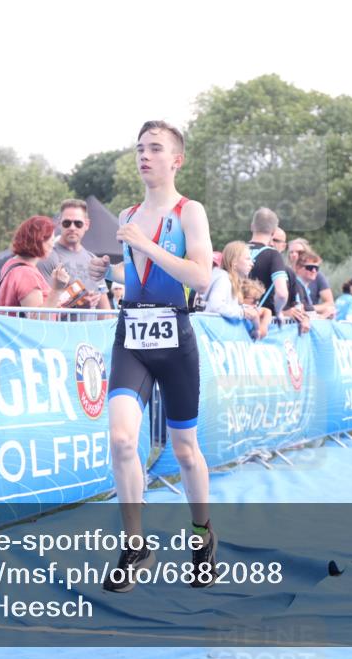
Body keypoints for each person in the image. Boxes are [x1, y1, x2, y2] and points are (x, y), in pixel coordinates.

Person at [88, 120, 216, 592]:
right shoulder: (127, 212)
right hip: (132, 338)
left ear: (176, 159)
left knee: (185, 450)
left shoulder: (190, 212)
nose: (144, 155)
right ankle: (135, 545)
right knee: (122, 439)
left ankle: (202, 537)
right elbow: (139, 276)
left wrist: (144, 244)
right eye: (140, 148)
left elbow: (200, 277)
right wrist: (111, 270)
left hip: (175, 338)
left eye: (155, 148)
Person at [38, 198, 110, 312]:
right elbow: (41, 310)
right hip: (60, 329)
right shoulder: (48, 257)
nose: (72, 228)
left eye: (78, 223)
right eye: (67, 223)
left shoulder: (93, 259)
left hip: (89, 329)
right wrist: (77, 304)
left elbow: (105, 309)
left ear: (86, 224)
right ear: (59, 223)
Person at [0, 216, 71, 319]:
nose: (53, 245)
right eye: (51, 240)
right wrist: (56, 289)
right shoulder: (27, 274)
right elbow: (36, 320)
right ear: (39, 240)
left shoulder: (11, 263)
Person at [203, 241, 264, 338]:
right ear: (234, 262)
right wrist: (243, 312)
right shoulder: (223, 279)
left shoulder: (228, 279)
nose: (252, 264)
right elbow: (215, 306)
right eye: (248, 259)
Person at [293, 250, 336, 319]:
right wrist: (323, 316)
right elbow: (300, 315)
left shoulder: (304, 288)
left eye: (316, 268)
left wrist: (324, 314)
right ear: (298, 268)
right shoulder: (295, 287)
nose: (314, 271)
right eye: (310, 268)